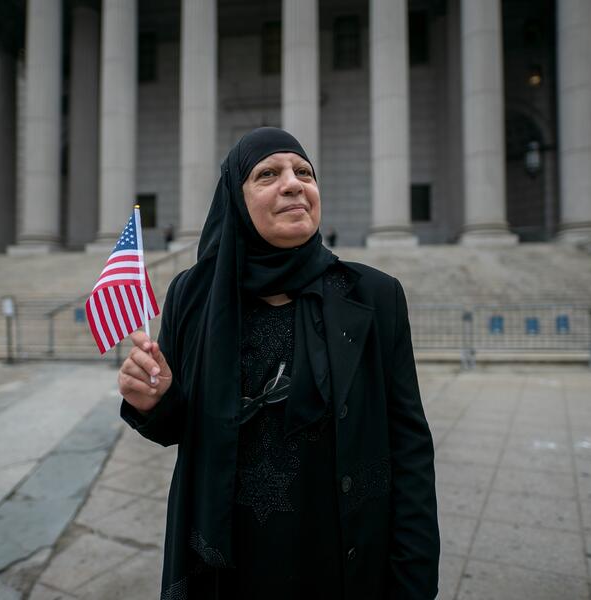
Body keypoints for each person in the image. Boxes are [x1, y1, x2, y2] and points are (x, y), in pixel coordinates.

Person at [118, 127, 439, 600]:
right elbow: (181, 428)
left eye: (304, 172)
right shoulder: (194, 295)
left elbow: (409, 446)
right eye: (268, 173)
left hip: (342, 559)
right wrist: (156, 400)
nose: (294, 184)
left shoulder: (374, 296)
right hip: (227, 563)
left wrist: (413, 580)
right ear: (236, 199)